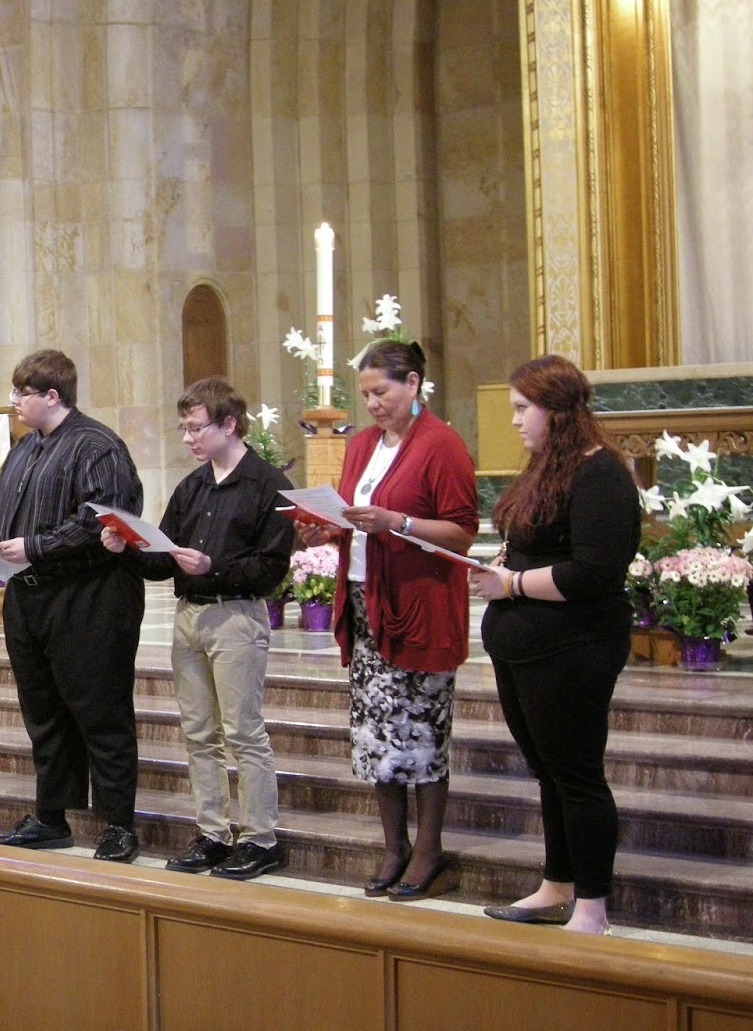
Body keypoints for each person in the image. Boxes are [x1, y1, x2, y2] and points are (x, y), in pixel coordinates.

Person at [297, 340, 477, 900]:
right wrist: (326, 529)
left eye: (382, 392)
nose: (372, 404)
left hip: (419, 606)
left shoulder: (441, 444)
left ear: (413, 383)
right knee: (377, 735)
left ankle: (429, 851)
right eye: (366, 394)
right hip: (365, 600)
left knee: (421, 731)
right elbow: (353, 517)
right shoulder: (361, 445)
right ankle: (393, 846)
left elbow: (461, 531)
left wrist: (398, 521)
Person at [469, 356, 640, 935]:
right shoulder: (547, 467)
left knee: (577, 776)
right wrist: (499, 566)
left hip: (573, 648)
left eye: (524, 409)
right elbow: (533, 545)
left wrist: (512, 584)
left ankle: (591, 908)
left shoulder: (601, 474)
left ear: (558, 411)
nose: (515, 420)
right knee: (549, 772)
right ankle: (557, 885)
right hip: (524, 648)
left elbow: (594, 571)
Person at [103, 377, 294, 879]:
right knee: (198, 733)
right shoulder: (192, 486)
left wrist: (213, 567)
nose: (187, 438)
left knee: (243, 732)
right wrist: (126, 547)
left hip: (236, 616)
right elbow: (163, 560)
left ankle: (259, 839)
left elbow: (272, 570)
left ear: (229, 424)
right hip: (189, 617)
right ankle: (212, 833)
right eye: (184, 428)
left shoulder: (268, 485)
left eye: (195, 428)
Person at [0, 349, 147, 863]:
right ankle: (51, 818)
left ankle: (118, 824)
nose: (13, 400)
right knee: (44, 711)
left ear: (53, 396)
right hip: (29, 596)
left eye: (21, 392)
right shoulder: (25, 447)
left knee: (101, 711)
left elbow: (105, 517)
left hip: (88, 596)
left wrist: (34, 546)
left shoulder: (97, 445)